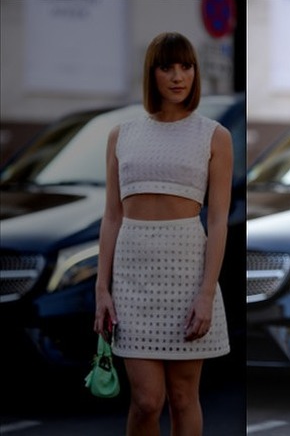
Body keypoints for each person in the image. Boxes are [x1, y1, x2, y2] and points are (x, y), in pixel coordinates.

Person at [93, 32, 232, 436]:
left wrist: (206, 292)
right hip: (133, 280)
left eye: (186, 66)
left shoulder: (214, 136)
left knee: (184, 396)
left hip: (188, 275)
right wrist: (102, 289)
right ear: (150, 73)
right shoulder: (122, 135)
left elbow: (219, 219)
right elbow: (112, 216)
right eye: (166, 66)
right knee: (146, 400)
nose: (177, 76)